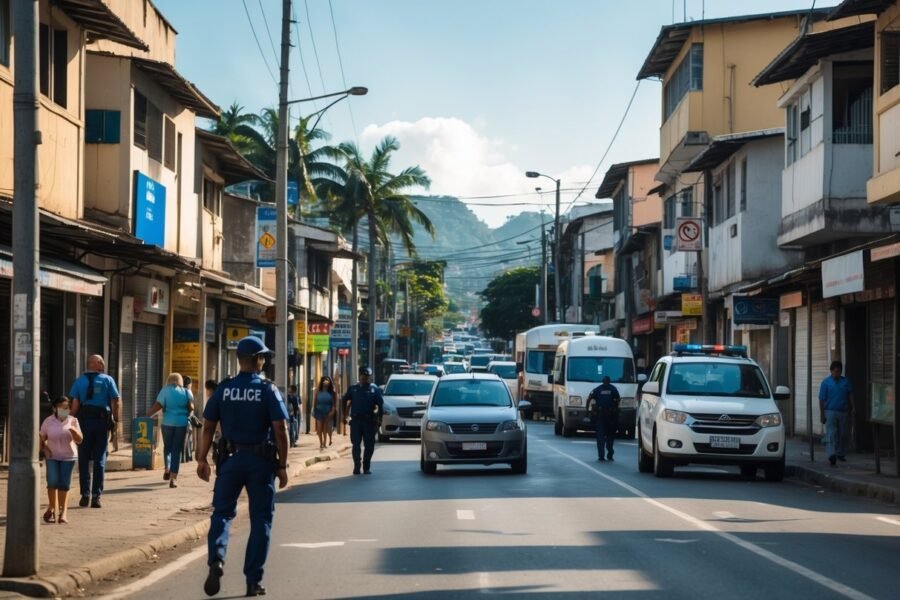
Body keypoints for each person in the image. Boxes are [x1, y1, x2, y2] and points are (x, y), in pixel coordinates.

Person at [197, 336, 289, 598]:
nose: (264, 361)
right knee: (261, 520)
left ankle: (217, 558)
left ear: (239, 360)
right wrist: (282, 464)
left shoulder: (224, 389)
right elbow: (280, 429)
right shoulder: (267, 390)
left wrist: (202, 459)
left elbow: (208, 425)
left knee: (222, 513)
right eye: (263, 357)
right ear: (258, 360)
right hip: (260, 463)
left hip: (231, 461)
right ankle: (252, 581)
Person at [69, 354, 120, 509]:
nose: (103, 364)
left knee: (83, 457)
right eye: (101, 362)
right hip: (101, 422)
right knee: (99, 459)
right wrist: (116, 420)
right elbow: (116, 400)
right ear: (95, 363)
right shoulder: (108, 380)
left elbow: (75, 405)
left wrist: (70, 422)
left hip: (84, 422)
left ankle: (85, 494)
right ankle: (96, 496)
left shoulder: (79, 381)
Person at [39, 396, 83, 524]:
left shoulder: (73, 420)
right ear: (55, 408)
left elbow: (80, 440)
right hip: (52, 457)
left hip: (69, 457)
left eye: (67, 407)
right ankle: (52, 508)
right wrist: (45, 448)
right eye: (62, 407)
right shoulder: (48, 421)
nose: (65, 409)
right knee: (52, 482)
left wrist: (74, 431)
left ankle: (63, 513)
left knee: (64, 484)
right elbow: (41, 437)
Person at [148, 373, 194, 488]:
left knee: (167, 447)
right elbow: (191, 407)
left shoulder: (165, 390)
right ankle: (173, 478)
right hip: (181, 423)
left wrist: (148, 414)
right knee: (176, 450)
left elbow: (158, 405)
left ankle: (167, 468)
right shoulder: (186, 392)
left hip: (167, 423)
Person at [342, 367, 384, 475]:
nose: (365, 379)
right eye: (364, 376)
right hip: (356, 421)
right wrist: (344, 415)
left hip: (369, 421)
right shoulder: (353, 389)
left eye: (368, 377)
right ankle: (357, 466)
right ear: (360, 376)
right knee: (356, 444)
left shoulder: (374, 390)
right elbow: (344, 399)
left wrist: (380, 419)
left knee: (369, 445)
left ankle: (366, 466)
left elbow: (380, 404)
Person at [819, 360, 854, 466]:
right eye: (835, 371)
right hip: (830, 411)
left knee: (844, 434)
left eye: (838, 371)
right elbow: (821, 399)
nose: (836, 373)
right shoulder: (826, 383)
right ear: (831, 371)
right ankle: (831, 454)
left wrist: (853, 407)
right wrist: (822, 414)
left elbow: (850, 394)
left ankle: (841, 453)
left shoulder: (845, 382)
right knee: (831, 433)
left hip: (843, 411)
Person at [586, 375, 621, 462]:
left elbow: (589, 399)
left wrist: (587, 411)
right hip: (609, 417)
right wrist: (615, 407)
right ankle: (608, 454)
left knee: (601, 437)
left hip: (602, 417)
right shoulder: (613, 389)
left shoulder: (598, 389)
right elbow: (618, 399)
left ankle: (602, 456)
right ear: (609, 381)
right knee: (609, 437)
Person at [313, 377, 337, 450]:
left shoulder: (332, 392)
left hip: (328, 411)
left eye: (327, 381)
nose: (326, 382)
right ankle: (321, 443)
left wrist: (332, 411)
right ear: (322, 382)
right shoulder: (318, 391)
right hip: (319, 411)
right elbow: (315, 401)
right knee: (319, 429)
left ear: (329, 383)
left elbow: (334, 404)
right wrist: (314, 410)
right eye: (324, 381)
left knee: (325, 428)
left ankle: (324, 443)